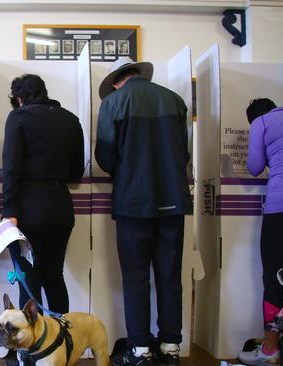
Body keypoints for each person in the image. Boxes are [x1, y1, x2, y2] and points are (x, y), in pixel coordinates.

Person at [95, 57, 191, 366]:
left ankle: (139, 349)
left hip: (133, 203)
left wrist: (126, 173)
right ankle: (170, 346)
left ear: (117, 81)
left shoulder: (113, 103)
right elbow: (184, 152)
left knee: (135, 276)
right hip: (173, 201)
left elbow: (105, 156)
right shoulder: (174, 100)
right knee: (170, 274)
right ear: (139, 75)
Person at [1, 74, 85, 314]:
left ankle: (31, 348)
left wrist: (9, 212)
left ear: (19, 98)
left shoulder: (19, 117)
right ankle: (63, 340)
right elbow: (76, 171)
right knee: (54, 276)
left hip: (27, 209)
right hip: (61, 208)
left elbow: (11, 168)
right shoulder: (71, 120)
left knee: (28, 276)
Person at [238, 99, 283, 366]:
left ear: (254, 117)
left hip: (281, 208)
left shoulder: (262, 122)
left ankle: (270, 349)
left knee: (274, 278)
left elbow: (255, 166)